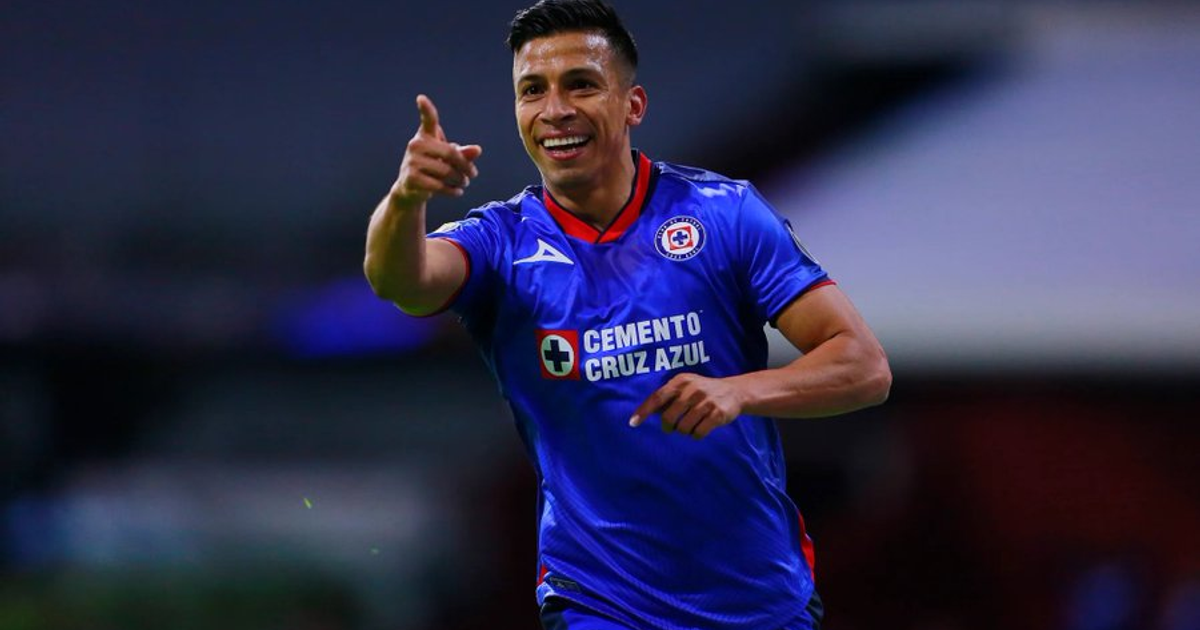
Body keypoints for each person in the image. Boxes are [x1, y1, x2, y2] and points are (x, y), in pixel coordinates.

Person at [364, 1, 891, 628]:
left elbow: (863, 366)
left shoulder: (723, 214)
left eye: (581, 85)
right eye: (532, 91)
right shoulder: (500, 242)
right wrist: (406, 199)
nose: (555, 110)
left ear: (632, 105)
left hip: (758, 596)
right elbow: (401, 281)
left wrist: (739, 391)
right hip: (599, 599)